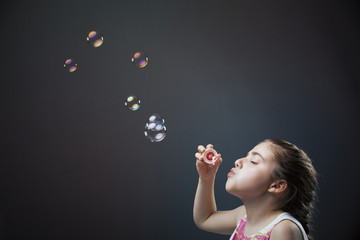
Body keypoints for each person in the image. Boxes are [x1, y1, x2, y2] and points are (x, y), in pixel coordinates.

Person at [193, 139, 318, 240]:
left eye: (253, 161)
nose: (238, 161)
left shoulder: (283, 229)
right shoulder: (244, 217)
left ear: (277, 185)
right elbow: (205, 219)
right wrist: (206, 179)